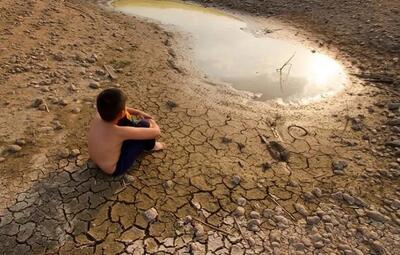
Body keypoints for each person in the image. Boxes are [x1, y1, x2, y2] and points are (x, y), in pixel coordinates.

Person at [88, 88, 165, 176]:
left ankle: (140, 128)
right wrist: (151, 121)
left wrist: (138, 113)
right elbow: (156, 132)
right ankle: (151, 146)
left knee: (130, 120)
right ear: (121, 113)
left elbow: (123, 111)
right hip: (115, 168)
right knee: (144, 125)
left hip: (96, 160)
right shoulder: (120, 132)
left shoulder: (99, 114)